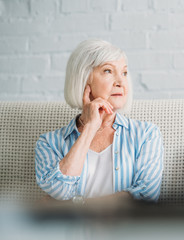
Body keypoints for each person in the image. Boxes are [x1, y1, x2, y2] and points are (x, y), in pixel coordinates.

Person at [35, 39, 164, 204]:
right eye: (108, 71)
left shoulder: (146, 134)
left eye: (124, 73)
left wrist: (78, 206)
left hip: (125, 229)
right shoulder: (49, 143)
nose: (120, 82)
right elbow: (59, 191)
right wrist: (90, 127)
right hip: (73, 230)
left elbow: (146, 196)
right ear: (84, 79)